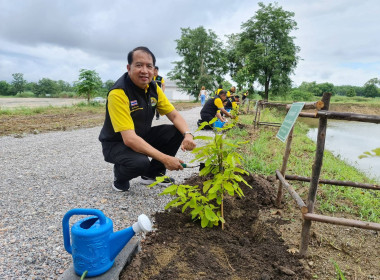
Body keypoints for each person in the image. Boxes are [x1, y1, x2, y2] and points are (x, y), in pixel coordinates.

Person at [99, 46, 196, 192]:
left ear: (154, 70)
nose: (144, 70)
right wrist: (166, 159)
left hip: (140, 136)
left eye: (149, 66)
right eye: (139, 65)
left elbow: (174, 115)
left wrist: (188, 134)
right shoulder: (119, 93)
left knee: (176, 131)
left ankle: (152, 175)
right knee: (140, 163)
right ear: (129, 67)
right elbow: (129, 139)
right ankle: (120, 176)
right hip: (116, 143)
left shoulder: (153, 88)